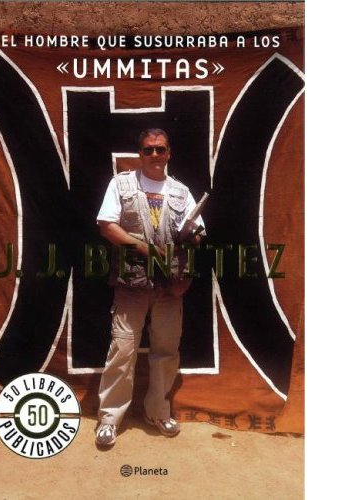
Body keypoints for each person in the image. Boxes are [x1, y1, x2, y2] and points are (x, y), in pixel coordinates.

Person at [95, 128, 204, 447]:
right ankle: (109, 418)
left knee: (166, 352)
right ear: (139, 154)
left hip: (170, 287)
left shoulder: (182, 191)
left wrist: (192, 241)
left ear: (169, 153)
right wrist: (145, 250)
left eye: (160, 149)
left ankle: (157, 412)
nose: (154, 154)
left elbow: (198, 234)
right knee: (122, 350)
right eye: (148, 149)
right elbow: (107, 226)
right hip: (131, 283)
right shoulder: (121, 184)